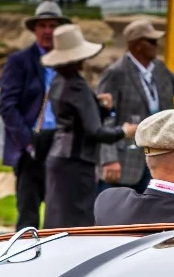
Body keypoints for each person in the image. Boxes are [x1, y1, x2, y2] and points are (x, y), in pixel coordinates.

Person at [43, 24, 134, 228]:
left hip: (58, 159)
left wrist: (98, 106)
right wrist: (124, 131)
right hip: (76, 163)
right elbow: (95, 131)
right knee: (78, 224)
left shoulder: (58, 81)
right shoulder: (77, 85)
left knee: (56, 221)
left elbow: (75, 118)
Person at [94, 18, 174, 193]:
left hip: (158, 160)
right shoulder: (116, 73)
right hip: (124, 162)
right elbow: (104, 119)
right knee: (118, 218)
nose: (157, 44)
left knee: (152, 217)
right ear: (137, 45)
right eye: (152, 41)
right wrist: (109, 159)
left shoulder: (159, 68)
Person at [0, 1, 69, 229]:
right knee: (28, 215)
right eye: (43, 25)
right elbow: (7, 106)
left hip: (60, 144)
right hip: (30, 147)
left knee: (59, 213)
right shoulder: (19, 62)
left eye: (52, 25)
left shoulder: (67, 63)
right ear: (35, 29)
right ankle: (25, 260)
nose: (48, 31)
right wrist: (28, 142)